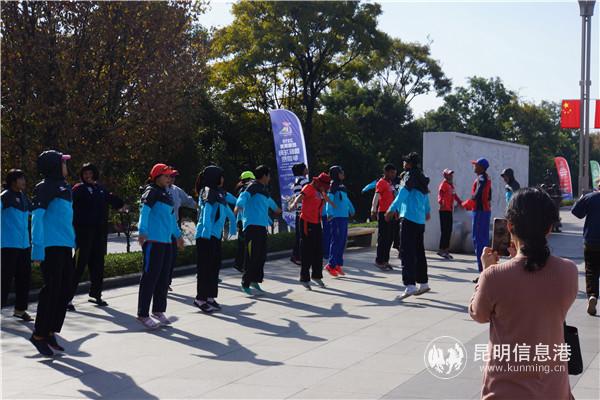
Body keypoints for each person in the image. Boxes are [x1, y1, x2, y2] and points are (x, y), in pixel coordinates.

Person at [470, 188, 577, 400]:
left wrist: (485, 272)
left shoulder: (494, 277)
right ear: (548, 228)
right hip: (553, 390)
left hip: (504, 392)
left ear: (510, 226)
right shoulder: (569, 271)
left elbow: (478, 314)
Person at [29, 150, 76, 356]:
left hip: (65, 245)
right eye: (63, 163)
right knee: (52, 290)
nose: (66, 166)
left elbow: (65, 218)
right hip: (50, 246)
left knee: (66, 289)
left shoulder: (65, 187)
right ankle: (39, 334)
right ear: (54, 166)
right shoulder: (44, 188)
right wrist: (37, 248)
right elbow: (37, 218)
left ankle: (49, 331)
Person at [69, 163, 125, 310]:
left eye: (90, 173)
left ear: (94, 174)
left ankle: (95, 294)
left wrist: (122, 205)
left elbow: (113, 200)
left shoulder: (100, 189)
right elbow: (69, 207)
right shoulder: (77, 189)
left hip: (99, 234)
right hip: (83, 234)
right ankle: (67, 298)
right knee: (78, 266)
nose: (88, 176)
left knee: (98, 265)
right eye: (85, 174)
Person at [136, 163, 183, 330]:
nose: (170, 178)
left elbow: (171, 219)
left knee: (163, 277)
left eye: (171, 176)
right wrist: (142, 231)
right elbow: (144, 212)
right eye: (167, 176)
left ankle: (158, 310)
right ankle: (143, 314)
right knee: (150, 277)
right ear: (157, 176)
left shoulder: (167, 194)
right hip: (153, 242)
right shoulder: (151, 192)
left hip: (166, 242)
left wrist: (178, 236)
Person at [386, 152, 431, 300]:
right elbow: (426, 198)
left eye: (405, 162)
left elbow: (402, 195)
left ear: (410, 164)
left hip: (409, 218)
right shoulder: (422, 177)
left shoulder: (409, 176)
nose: (403, 164)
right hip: (420, 221)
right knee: (419, 252)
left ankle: (410, 285)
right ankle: (423, 283)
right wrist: (427, 211)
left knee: (406, 252)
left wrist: (391, 209)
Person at [193, 166, 235, 313]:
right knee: (205, 267)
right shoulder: (207, 191)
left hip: (215, 236)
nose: (223, 179)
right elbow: (207, 211)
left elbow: (228, 208)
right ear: (214, 177)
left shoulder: (219, 193)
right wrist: (205, 230)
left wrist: (234, 223)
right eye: (221, 176)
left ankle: (210, 296)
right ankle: (200, 298)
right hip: (205, 236)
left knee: (215, 265)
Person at [234, 165, 281, 295]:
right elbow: (243, 197)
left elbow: (271, 204)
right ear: (265, 176)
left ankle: (255, 280)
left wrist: (279, 210)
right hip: (251, 227)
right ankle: (245, 282)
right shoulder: (252, 186)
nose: (270, 178)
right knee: (251, 255)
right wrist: (237, 207)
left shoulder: (263, 190)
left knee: (261, 256)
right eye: (269, 175)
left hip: (261, 227)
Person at [290, 173, 333, 290]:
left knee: (318, 250)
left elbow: (323, 204)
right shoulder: (308, 188)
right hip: (306, 222)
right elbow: (300, 196)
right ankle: (304, 278)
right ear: (319, 183)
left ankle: (317, 276)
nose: (326, 188)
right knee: (307, 250)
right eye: (325, 186)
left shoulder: (321, 192)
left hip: (317, 223)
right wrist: (294, 203)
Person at [1, 169, 33, 321]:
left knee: (24, 279)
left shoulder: (24, 197)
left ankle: (20, 310)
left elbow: (32, 215)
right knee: (4, 280)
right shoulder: (4, 197)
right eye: (21, 179)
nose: (24, 181)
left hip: (24, 246)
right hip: (8, 245)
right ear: (13, 181)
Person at [166, 169, 197, 291]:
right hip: (162, 227)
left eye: (174, 177)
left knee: (172, 256)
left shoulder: (175, 190)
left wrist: (198, 206)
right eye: (170, 176)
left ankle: (167, 282)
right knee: (163, 255)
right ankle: (159, 282)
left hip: (175, 226)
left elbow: (187, 200)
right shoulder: (158, 191)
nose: (172, 179)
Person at [462, 158, 492, 283]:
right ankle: (486, 271)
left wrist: (468, 202)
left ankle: (483, 273)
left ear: (481, 167)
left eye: (476, 165)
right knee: (482, 241)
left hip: (480, 212)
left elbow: (478, 194)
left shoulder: (481, 178)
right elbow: (489, 196)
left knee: (479, 242)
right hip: (484, 212)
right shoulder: (486, 178)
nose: (474, 166)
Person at [571, 189, 600, 316]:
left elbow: (576, 212)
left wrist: (582, 198)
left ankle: (592, 296)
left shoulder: (590, 197)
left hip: (591, 241)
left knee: (591, 270)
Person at [324, 166, 355, 277]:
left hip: (344, 217)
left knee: (342, 241)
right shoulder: (333, 185)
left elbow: (346, 199)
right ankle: (330, 265)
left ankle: (338, 265)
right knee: (336, 240)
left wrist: (351, 209)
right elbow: (329, 200)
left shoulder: (342, 186)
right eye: (341, 172)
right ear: (337, 174)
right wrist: (329, 213)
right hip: (336, 217)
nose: (343, 173)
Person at [372, 163, 398, 270]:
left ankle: (386, 260)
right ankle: (379, 260)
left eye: (394, 173)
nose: (393, 175)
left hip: (391, 213)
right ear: (386, 172)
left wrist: (396, 212)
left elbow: (394, 198)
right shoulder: (381, 183)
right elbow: (376, 197)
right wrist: (373, 210)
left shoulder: (390, 183)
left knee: (390, 238)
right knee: (383, 238)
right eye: (392, 173)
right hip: (383, 213)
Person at [437, 169, 462, 260]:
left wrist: (460, 203)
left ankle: (446, 250)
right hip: (444, 210)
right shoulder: (443, 185)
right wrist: (441, 202)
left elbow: (455, 196)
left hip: (449, 210)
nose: (451, 176)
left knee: (449, 230)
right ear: (445, 175)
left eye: (451, 174)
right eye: (449, 174)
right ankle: (441, 250)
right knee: (445, 231)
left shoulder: (451, 186)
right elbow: (440, 195)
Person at [233, 171, 255, 272]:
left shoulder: (240, 189)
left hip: (241, 220)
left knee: (242, 243)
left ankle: (240, 264)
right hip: (245, 220)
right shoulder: (246, 189)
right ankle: (241, 265)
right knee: (246, 243)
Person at [291, 163, 309, 265]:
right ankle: (298, 256)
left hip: (299, 211)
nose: (307, 169)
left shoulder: (296, 181)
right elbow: (307, 194)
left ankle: (296, 255)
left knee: (299, 234)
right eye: (305, 168)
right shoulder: (304, 180)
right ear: (302, 170)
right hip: (305, 210)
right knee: (304, 235)